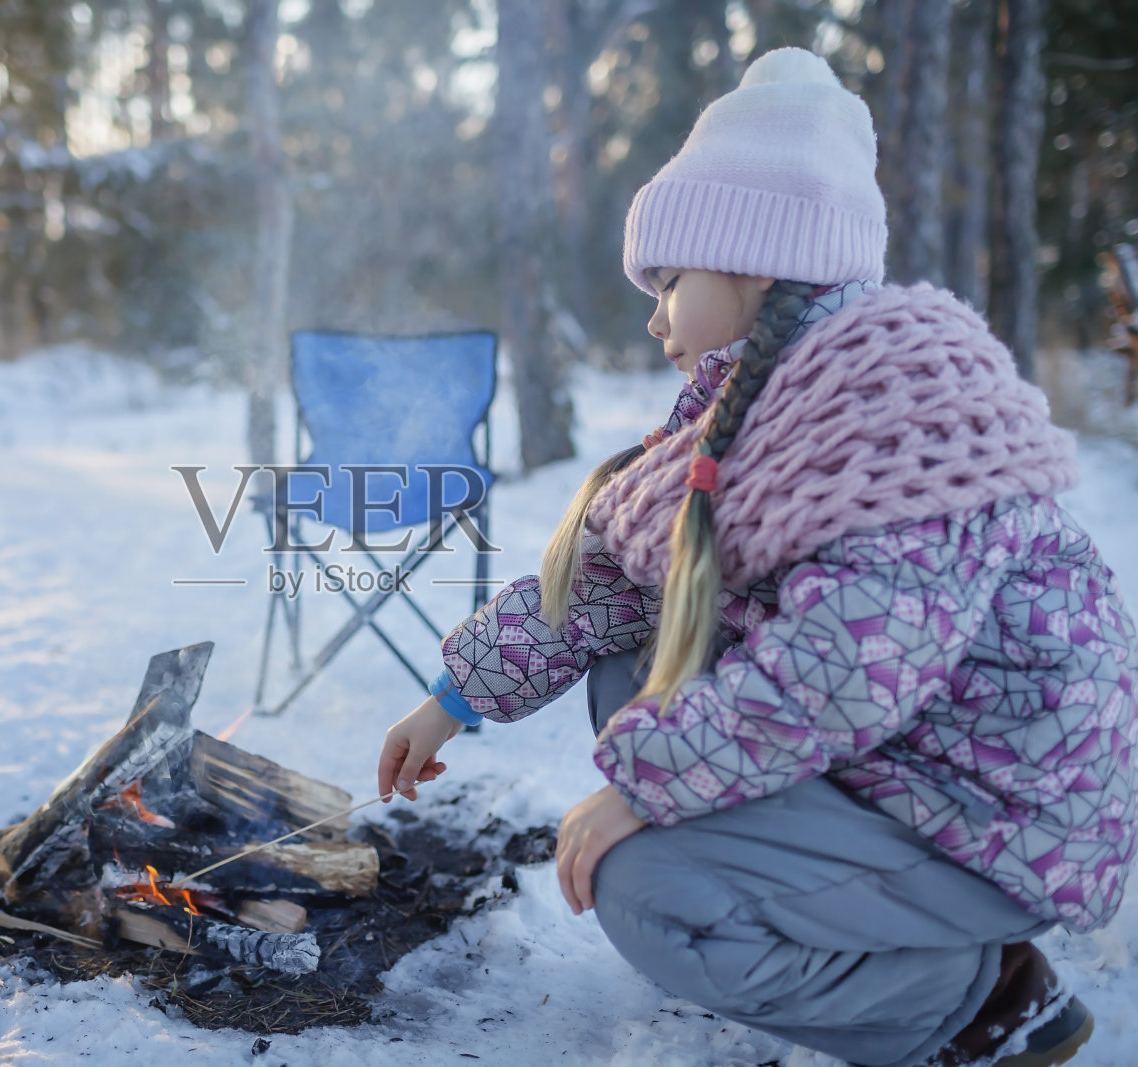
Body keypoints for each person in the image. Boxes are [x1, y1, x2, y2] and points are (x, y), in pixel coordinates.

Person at [375, 47, 1137, 1067]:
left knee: (647, 889)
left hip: (994, 819)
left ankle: (979, 999)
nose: (653, 317)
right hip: (906, 771)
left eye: (670, 279)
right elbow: (609, 581)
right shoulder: (760, 407)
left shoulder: (894, 415)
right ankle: (880, 933)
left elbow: (841, 668)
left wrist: (643, 792)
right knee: (630, 665)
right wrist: (452, 698)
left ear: (754, 261)